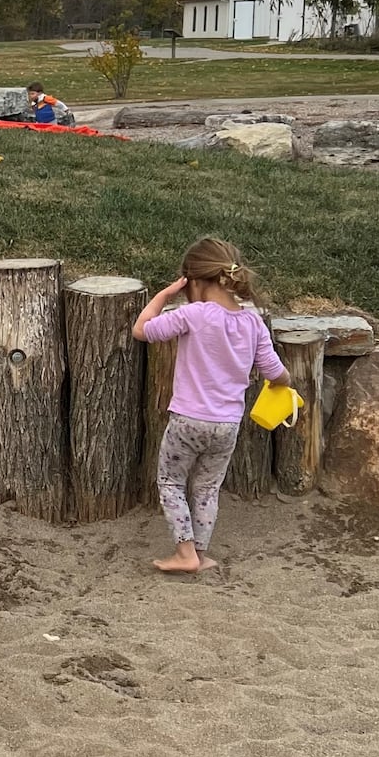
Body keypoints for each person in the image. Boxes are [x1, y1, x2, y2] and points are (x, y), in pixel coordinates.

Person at [133, 239, 291, 575]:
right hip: (227, 425)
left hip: (188, 421)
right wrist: (283, 387)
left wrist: (164, 295)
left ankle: (185, 552)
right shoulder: (253, 324)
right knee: (207, 488)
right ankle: (201, 553)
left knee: (171, 482)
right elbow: (277, 373)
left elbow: (142, 330)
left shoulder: (193, 314)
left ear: (193, 280)